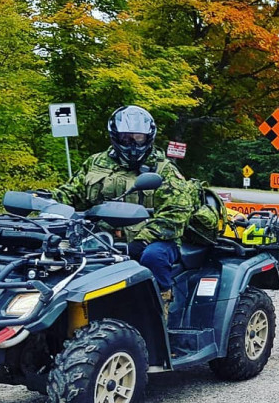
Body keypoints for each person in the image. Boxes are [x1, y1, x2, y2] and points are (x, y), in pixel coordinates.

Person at [50, 105, 195, 317]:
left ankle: (161, 305)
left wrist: (143, 240)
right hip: (101, 235)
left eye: (138, 138)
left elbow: (177, 211)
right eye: (127, 138)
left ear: (149, 137)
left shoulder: (164, 169)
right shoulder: (96, 163)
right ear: (115, 137)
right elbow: (73, 192)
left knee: (153, 257)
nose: (133, 144)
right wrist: (49, 202)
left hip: (155, 239)